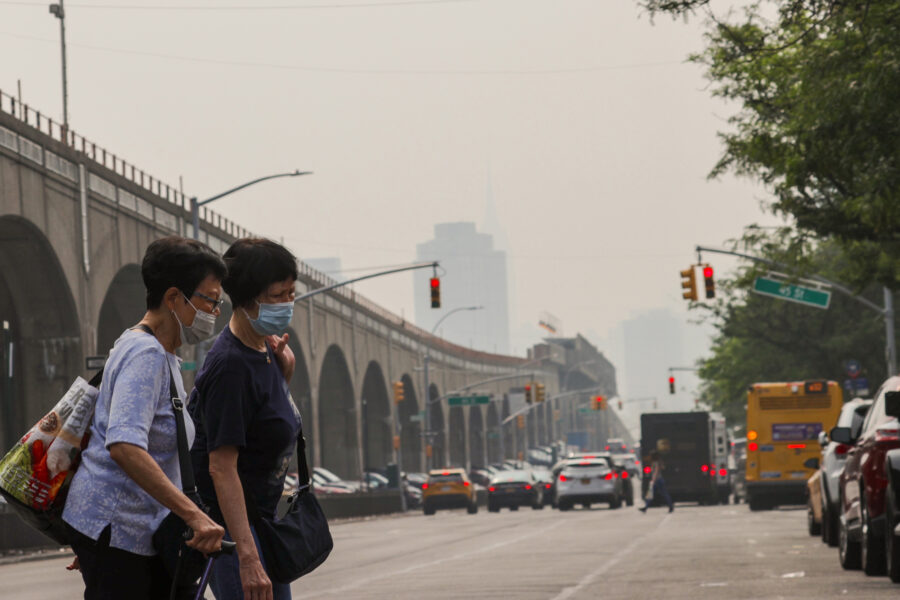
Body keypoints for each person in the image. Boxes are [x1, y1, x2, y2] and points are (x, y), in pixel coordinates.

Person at [63, 236, 227, 599]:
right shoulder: (145, 354)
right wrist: (194, 515)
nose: (215, 312)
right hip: (119, 527)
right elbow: (124, 445)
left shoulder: (155, 351)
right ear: (173, 298)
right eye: (210, 300)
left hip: (128, 530)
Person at [189, 238, 301, 600]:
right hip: (234, 536)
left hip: (260, 526)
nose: (288, 303)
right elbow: (221, 467)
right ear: (249, 298)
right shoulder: (231, 366)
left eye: (291, 293)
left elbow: (261, 425)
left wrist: (284, 377)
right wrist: (247, 557)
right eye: (278, 295)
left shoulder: (265, 350)